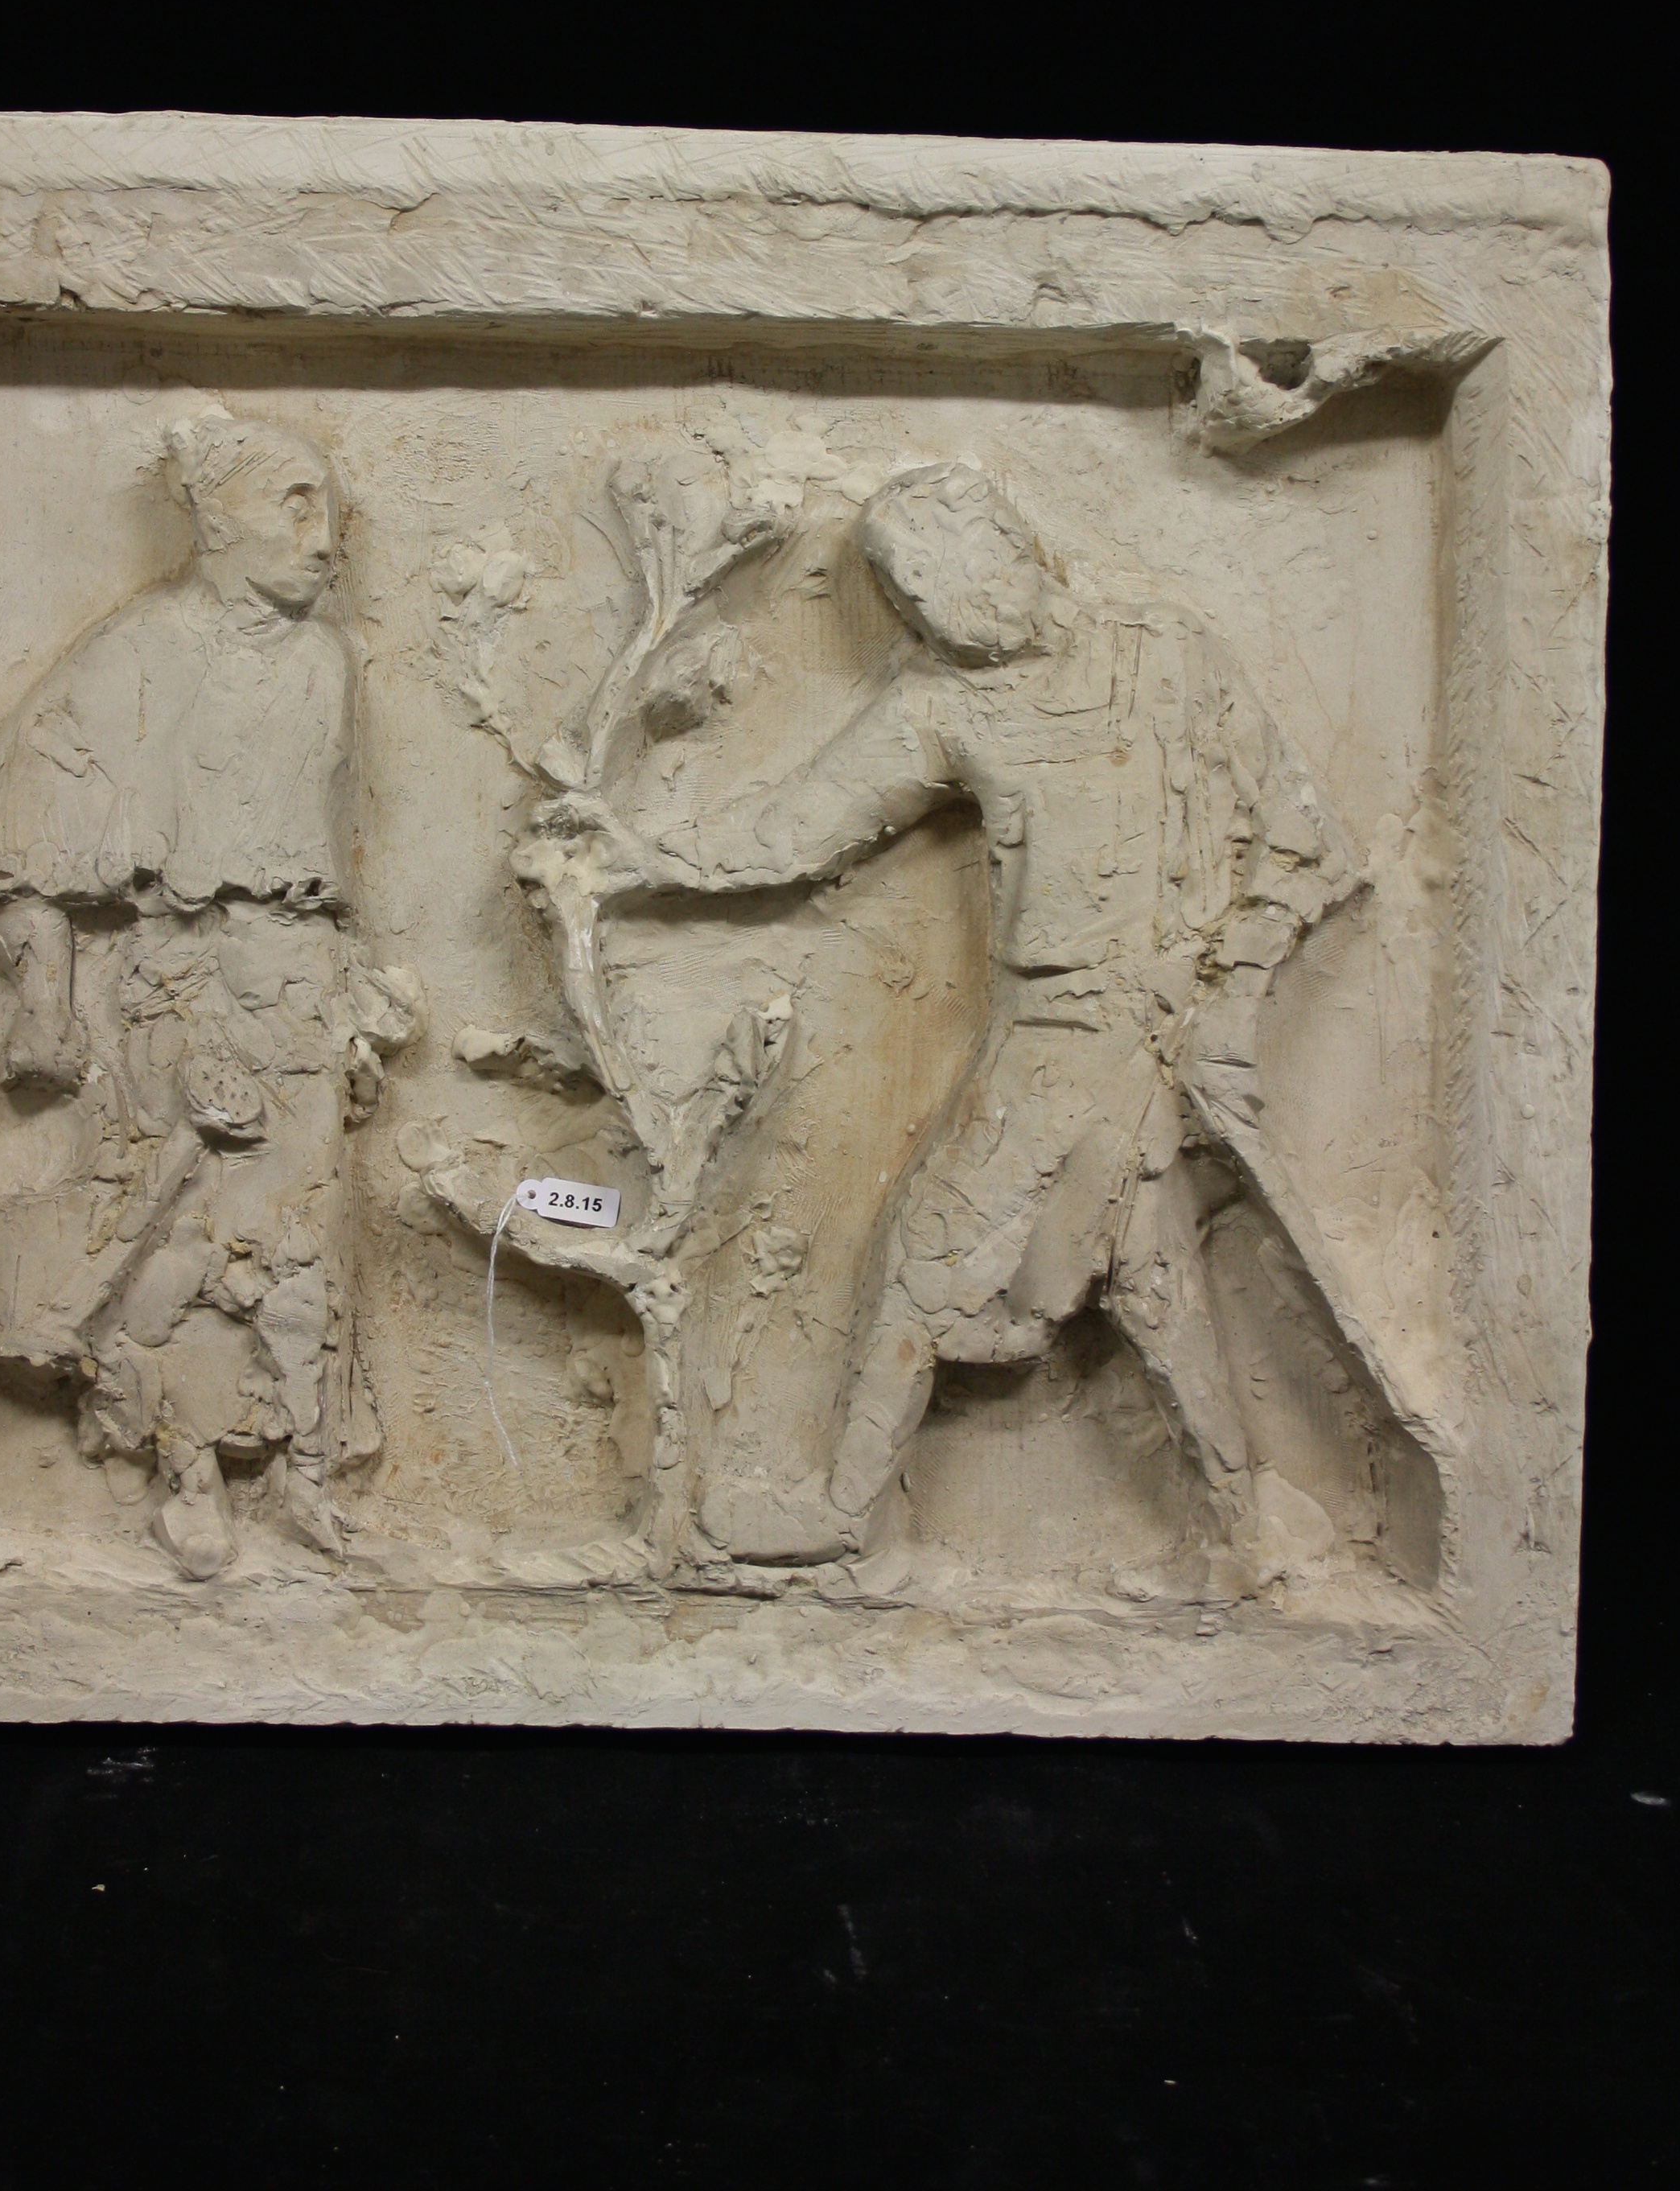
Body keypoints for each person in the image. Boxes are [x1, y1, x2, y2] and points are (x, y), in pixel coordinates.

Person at [530, 460, 1357, 1569]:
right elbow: (798, 828)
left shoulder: (1167, 658)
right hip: (1047, 1025)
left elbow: (1309, 852)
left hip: (1122, 1035)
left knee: (936, 1251)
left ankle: (847, 1507)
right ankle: (1242, 1522)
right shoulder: (948, 701)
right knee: (1151, 1279)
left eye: (951, 578)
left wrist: (1231, 999)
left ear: (1012, 546)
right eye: (912, 595)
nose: (942, 614)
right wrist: (637, 853)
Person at [0, 414, 421, 1578]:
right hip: (183, 991)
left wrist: (349, 993)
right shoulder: (132, 654)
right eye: (294, 505)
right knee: (180, 1244)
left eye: (329, 511)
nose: (325, 539)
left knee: (300, 1243)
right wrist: (46, 999)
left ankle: (304, 1470)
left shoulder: (326, 665)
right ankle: (189, 1471)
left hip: (300, 995)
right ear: (217, 517)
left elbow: (330, 868)